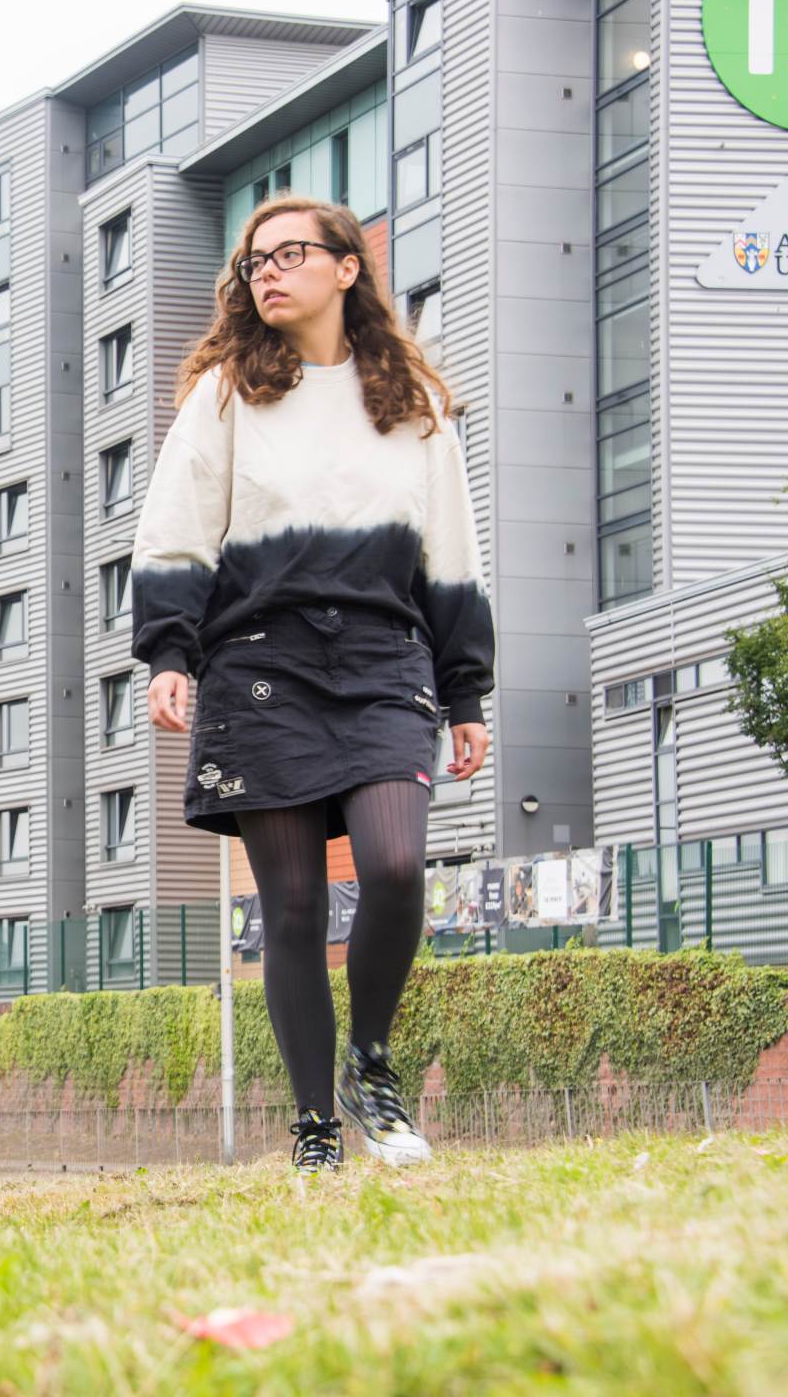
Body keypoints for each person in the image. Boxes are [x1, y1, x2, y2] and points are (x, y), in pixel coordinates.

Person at [131, 194, 493, 1176]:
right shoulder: (223, 395)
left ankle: (369, 1063)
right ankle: (313, 1126)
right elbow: (175, 528)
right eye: (255, 262)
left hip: (385, 661)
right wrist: (170, 653)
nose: (269, 273)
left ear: (347, 265)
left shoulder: (413, 401)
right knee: (289, 906)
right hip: (259, 665)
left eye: (291, 254)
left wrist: (465, 692)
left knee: (393, 867)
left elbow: (450, 553)